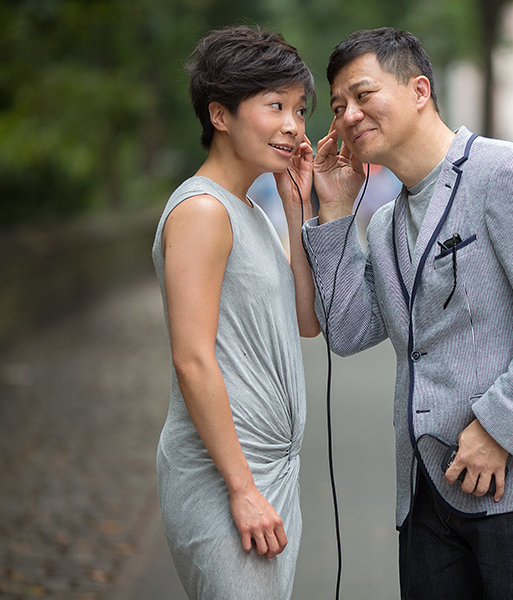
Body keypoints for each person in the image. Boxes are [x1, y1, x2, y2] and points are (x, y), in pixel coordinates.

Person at [303, 27, 513, 599]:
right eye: (338, 105)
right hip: (427, 493)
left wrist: (499, 427)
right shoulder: (384, 224)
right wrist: (333, 211)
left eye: (363, 94)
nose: (348, 115)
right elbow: (348, 331)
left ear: (420, 90)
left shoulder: (510, 175)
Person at [150, 26, 319, 599]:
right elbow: (192, 358)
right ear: (220, 115)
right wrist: (242, 489)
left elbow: (305, 321)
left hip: (269, 472)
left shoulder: (248, 210)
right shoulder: (202, 210)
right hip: (227, 476)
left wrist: (297, 213)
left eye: (299, 109)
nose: (294, 125)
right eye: (275, 106)